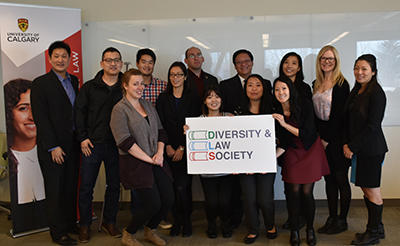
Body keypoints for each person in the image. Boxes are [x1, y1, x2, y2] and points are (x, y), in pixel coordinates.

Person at [110, 68, 174, 246]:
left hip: (156, 160)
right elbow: (124, 142)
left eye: (142, 84)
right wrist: (150, 158)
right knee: (152, 204)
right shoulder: (119, 109)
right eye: (135, 84)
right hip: (136, 165)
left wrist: (159, 153)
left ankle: (150, 230)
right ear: (125, 85)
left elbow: (161, 131)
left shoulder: (147, 105)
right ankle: (129, 233)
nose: (140, 87)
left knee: (168, 198)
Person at [31, 41, 80, 246]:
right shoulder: (40, 83)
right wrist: (53, 146)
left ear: (70, 58)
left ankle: (70, 224)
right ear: (50, 58)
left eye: (64, 56)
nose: (61, 60)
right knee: (55, 190)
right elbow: (41, 118)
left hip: (73, 145)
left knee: (70, 187)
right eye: (56, 56)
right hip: (53, 148)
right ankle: (57, 233)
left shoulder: (74, 80)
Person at [272, 76, 329, 246]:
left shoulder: (304, 104)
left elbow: (308, 134)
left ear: (290, 89)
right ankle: (295, 229)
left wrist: (284, 124)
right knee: (293, 193)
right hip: (291, 151)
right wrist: (269, 158)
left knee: (306, 193)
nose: (280, 92)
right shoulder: (275, 109)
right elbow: (284, 141)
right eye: (277, 89)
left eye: (284, 88)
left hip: (309, 149)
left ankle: (309, 229)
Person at [75, 47, 123, 242]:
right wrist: (82, 138)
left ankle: (109, 221)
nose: (113, 63)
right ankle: (85, 225)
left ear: (121, 63)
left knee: (114, 186)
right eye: (109, 60)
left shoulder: (125, 86)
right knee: (86, 187)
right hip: (91, 145)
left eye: (116, 60)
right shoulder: (89, 87)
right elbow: (78, 113)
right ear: (102, 63)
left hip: (117, 145)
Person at [343, 54, 388, 245]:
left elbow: (373, 126)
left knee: (372, 192)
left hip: (371, 150)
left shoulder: (376, 93)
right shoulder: (358, 90)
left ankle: (373, 233)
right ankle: (376, 227)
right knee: (366, 189)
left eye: (364, 69)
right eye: (356, 68)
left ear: (373, 72)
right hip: (361, 150)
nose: (359, 72)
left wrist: (352, 146)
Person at [156, 62, 199, 237]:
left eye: (179, 74)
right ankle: (176, 221)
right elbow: (160, 124)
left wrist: (181, 147)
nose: (175, 78)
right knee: (171, 188)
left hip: (187, 149)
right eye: (172, 75)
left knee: (183, 187)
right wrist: (167, 146)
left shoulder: (193, 97)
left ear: (185, 77)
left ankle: (186, 221)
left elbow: (195, 124)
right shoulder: (162, 98)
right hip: (166, 149)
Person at [185, 86, 235, 239]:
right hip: (207, 172)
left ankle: (226, 224)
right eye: (209, 97)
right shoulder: (198, 122)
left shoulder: (230, 117)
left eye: (217, 97)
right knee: (212, 202)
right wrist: (188, 133)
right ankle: (211, 224)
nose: (214, 100)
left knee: (225, 201)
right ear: (205, 101)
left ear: (221, 99)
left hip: (228, 171)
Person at [312, 45, 351, 235]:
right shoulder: (315, 83)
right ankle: (332, 217)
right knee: (329, 181)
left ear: (336, 61)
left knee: (341, 179)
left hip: (338, 138)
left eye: (330, 59)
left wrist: (327, 139)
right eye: (323, 59)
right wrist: (319, 138)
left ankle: (342, 220)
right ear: (319, 61)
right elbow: (315, 115)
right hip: (322, 138)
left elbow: (339, 116)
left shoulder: (342, 84)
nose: (327, 62)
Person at [4, 79, 47, 233]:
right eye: (23, 108)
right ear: (9, 113)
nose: (32, 116)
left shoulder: (51, 155)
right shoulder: (13, 162)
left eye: (35, 107)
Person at [240, 74, 276, 244]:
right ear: (245, 88)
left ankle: (270, 225)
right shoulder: (238, 112)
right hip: (245, 163)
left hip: (266, 162)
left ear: (264, 88)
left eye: (258, 85)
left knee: (265, 198)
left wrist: (270, 158)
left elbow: (280, 138)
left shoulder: (272, 111)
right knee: (249, 198)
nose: (254, 89)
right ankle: (253, 228)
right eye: (250, 85)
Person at [278, 52, 312, 230]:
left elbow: (306, 122)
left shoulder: (304, 88)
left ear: (299, 68)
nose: (289, 66)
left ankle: (304, 219)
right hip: (286, 144)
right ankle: (293, 218)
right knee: (289, 185)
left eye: (294, 63)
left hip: (303, 144)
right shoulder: (278, 87)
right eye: (286, 62)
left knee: (304, 189)